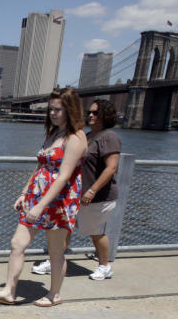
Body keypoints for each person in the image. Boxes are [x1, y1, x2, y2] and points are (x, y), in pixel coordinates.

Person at [0, 87, 87, 307]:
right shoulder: (53, 134)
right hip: (36, 196)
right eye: (51, 109)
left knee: (55, 251)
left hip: (59, 202)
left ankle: (54, 294)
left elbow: (63, 176)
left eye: (58, 110)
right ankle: (9, 291)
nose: (52, 114)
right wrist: (24, 193)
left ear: (70, 110)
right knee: (17, 244)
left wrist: (41, 206)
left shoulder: (76, 138)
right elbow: (40, 167)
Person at [31, 99, 120, 280]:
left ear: (106, 115)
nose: (90, 115)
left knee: (95, 231)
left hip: (97, 197)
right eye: (90, 112)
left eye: (95, 113)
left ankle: (105, 266)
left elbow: (111, 167)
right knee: (64, 227)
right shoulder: (88, 136)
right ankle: (55, 260)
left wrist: (92, 190)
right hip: (77, 194)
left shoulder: (108, 137)